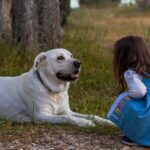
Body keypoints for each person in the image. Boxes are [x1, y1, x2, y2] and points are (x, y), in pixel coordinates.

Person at [107, 35, 150, 147]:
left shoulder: (132, 72)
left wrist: (128, 94)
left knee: (126, 101)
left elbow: (140, 92)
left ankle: (136, 135)